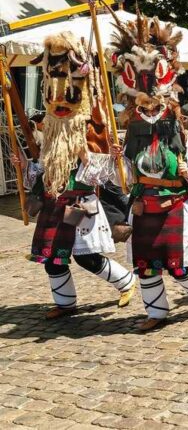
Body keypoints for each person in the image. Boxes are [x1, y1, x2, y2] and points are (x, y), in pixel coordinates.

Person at [18, 32, 136, 320]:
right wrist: (25, 166)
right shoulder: (50, 128)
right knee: (53, 260)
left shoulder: (91, 125)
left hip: (79, 205)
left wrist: (89, 156)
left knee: (87, 258)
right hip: (53, 203)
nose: (59, 102)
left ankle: (126, 281)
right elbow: (44, 170)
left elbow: (108, 175)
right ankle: (65, 303)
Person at [108, 11, 188, 332]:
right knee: (145, 265)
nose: (150, 111)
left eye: (155, 107)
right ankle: (156, 312)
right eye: (145, 108)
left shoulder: (180, 132)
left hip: (175, 202)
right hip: (143, 204)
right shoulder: (131, 135)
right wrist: (116, 161)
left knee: (177, 264)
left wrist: (187, 171)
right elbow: (119, 180)